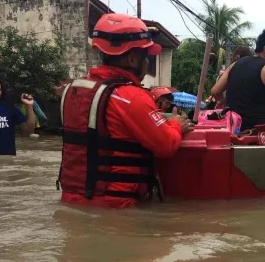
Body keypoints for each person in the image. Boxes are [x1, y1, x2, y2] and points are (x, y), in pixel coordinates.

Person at [58, 13, 194, 209]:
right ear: (132, 59)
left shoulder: (73, 91)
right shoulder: (132, 97)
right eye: (146, 57)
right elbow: (166, 145)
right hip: (117, 205)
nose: (147, 65)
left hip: (72, 201)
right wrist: (175, 124)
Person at [211, 30, 265, 132]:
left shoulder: (235, 64)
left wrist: (226, 102)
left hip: (231, 129)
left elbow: (215, 91)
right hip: (256, 131)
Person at [214, 45, 252, 110]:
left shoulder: (229, 72)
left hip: (229, 112)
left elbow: (215, 92)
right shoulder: (255, 72)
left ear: (237, 57)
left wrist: (223, 100)